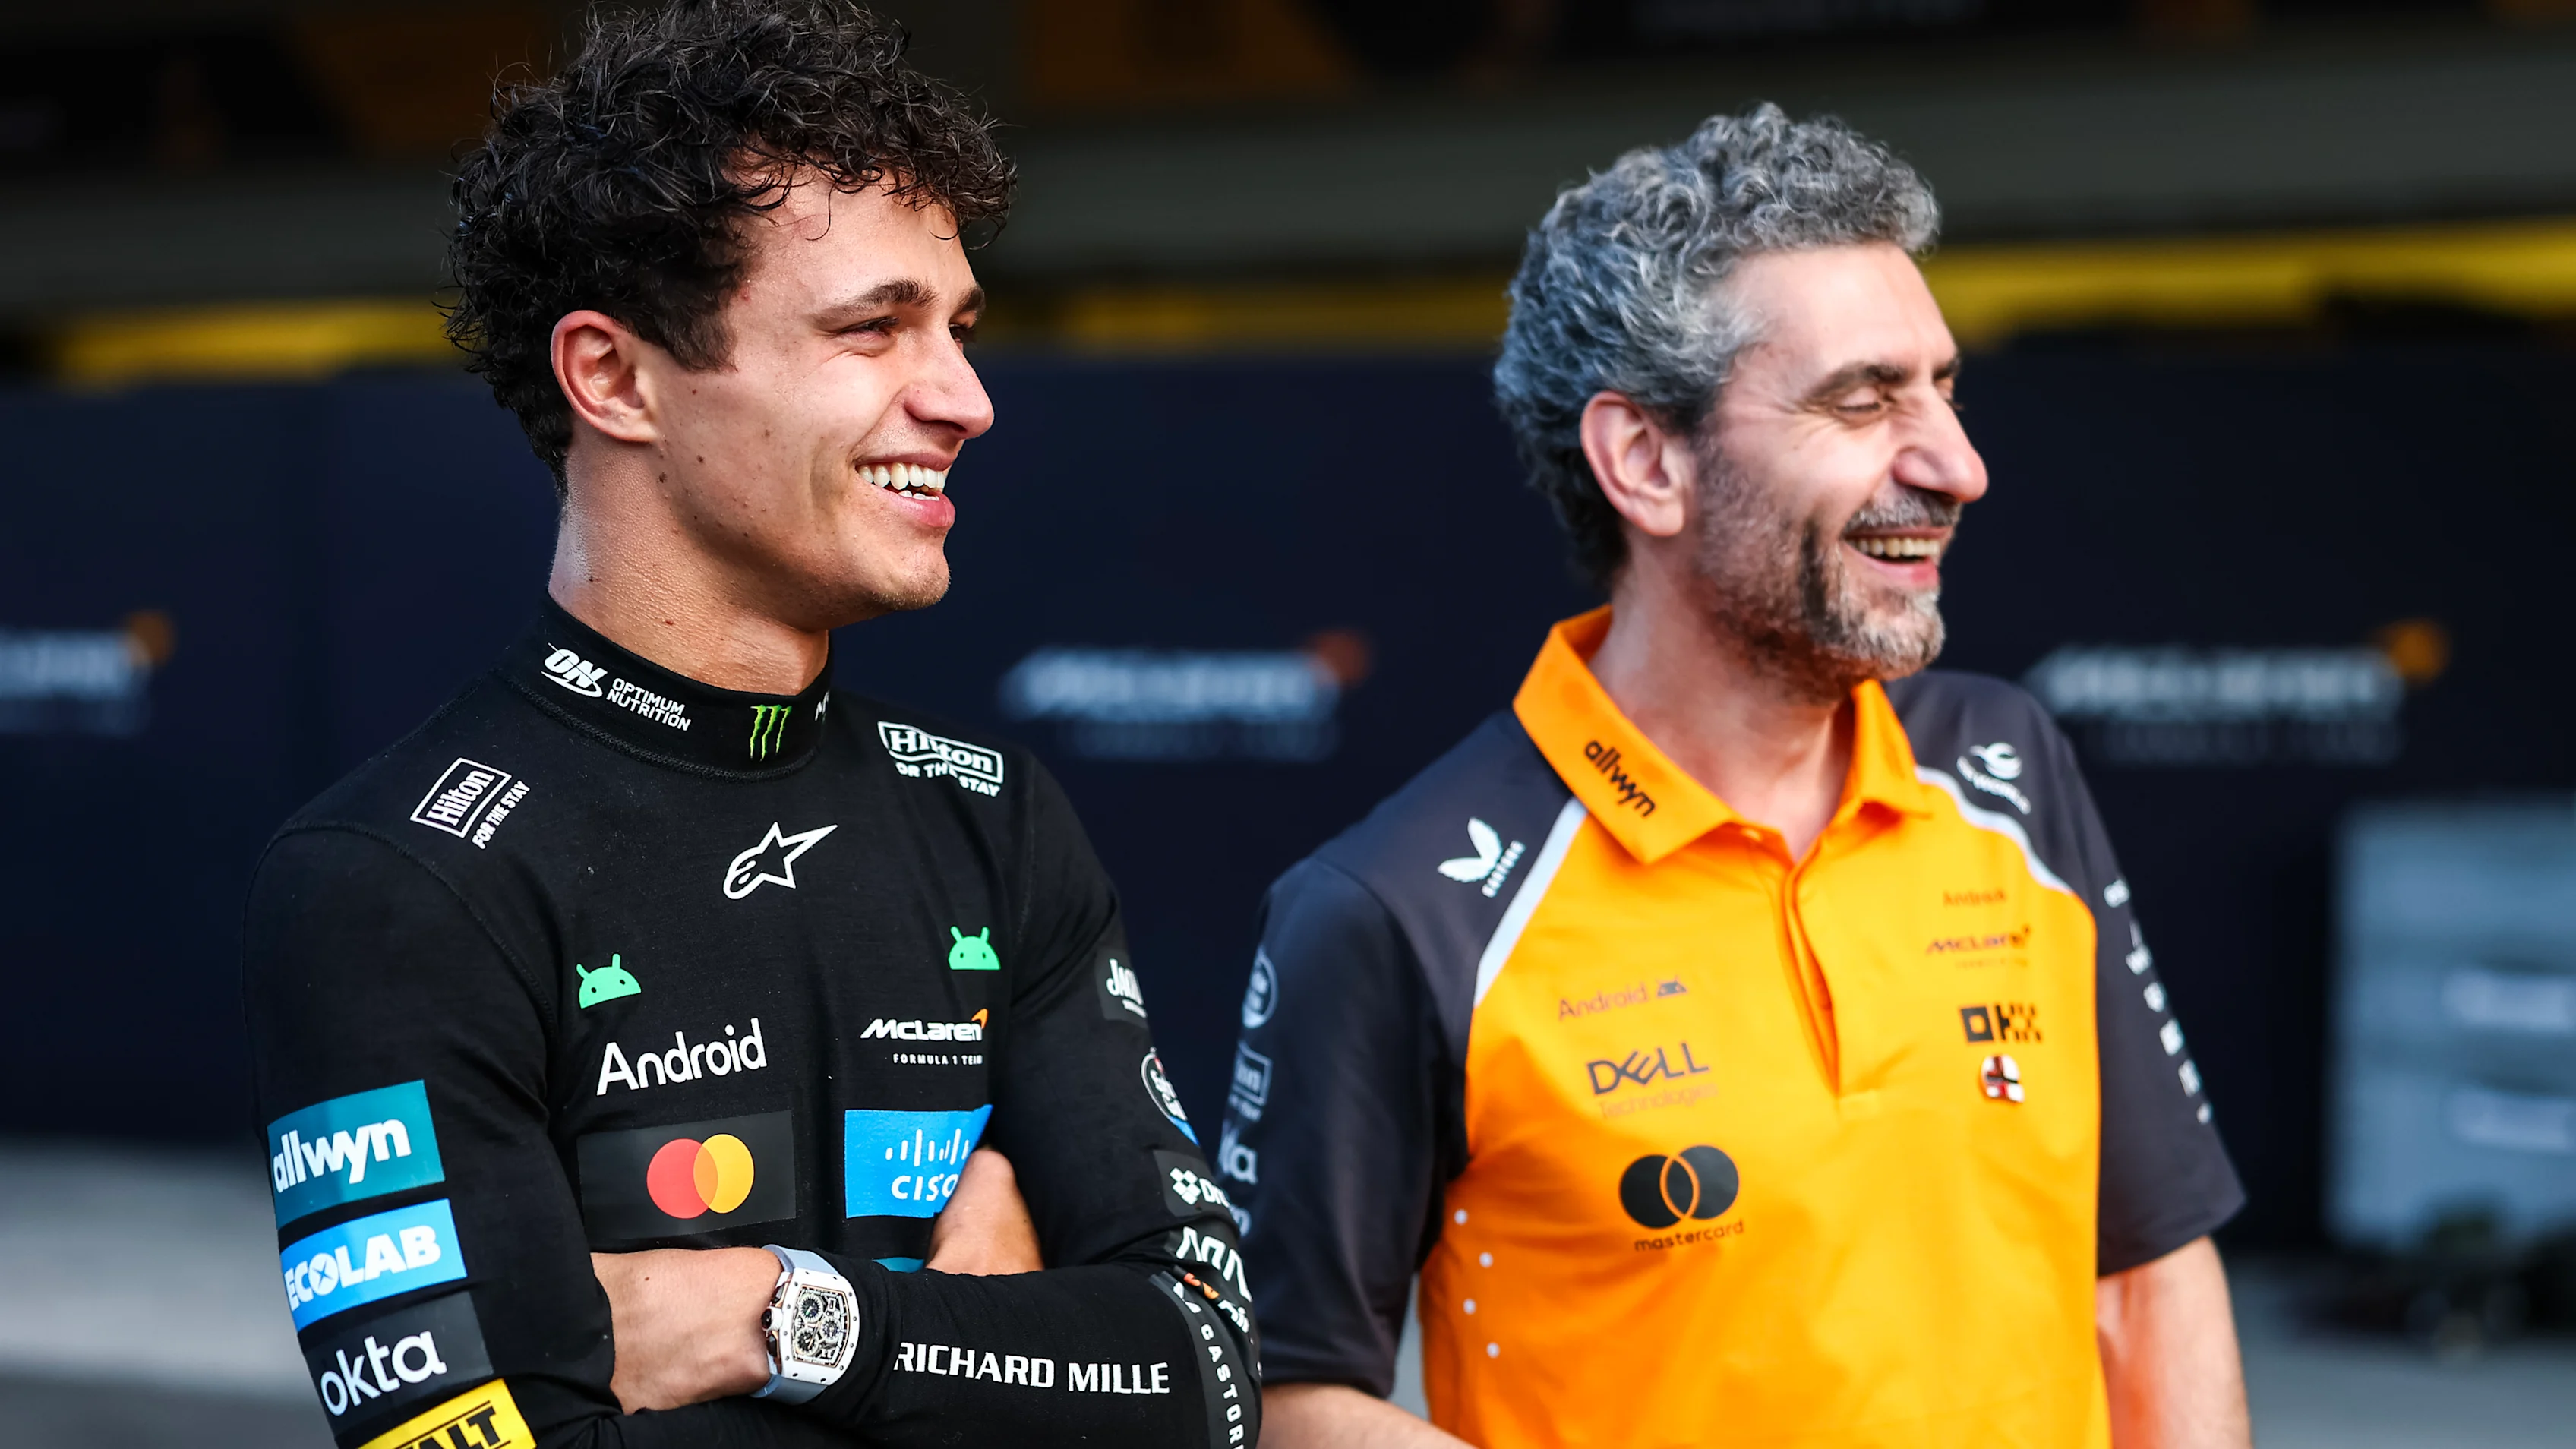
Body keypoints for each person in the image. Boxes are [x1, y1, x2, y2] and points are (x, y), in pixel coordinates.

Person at [239, 5, 1257, 1448]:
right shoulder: (396, 880)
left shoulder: (991, 817)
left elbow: (1208, 1380)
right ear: (615, 379)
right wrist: (1001, 1352)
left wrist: (792, 1321)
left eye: (958, 329)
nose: (965, 399)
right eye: (872, 329)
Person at [1232, 106, 2252, 1449]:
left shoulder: (2006, 766)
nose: (1957, 466)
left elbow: (2146, 1274)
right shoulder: (1396, 908)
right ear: (1646, 462)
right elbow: (1285, 1399)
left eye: (1944, 388)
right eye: (1863, 400)